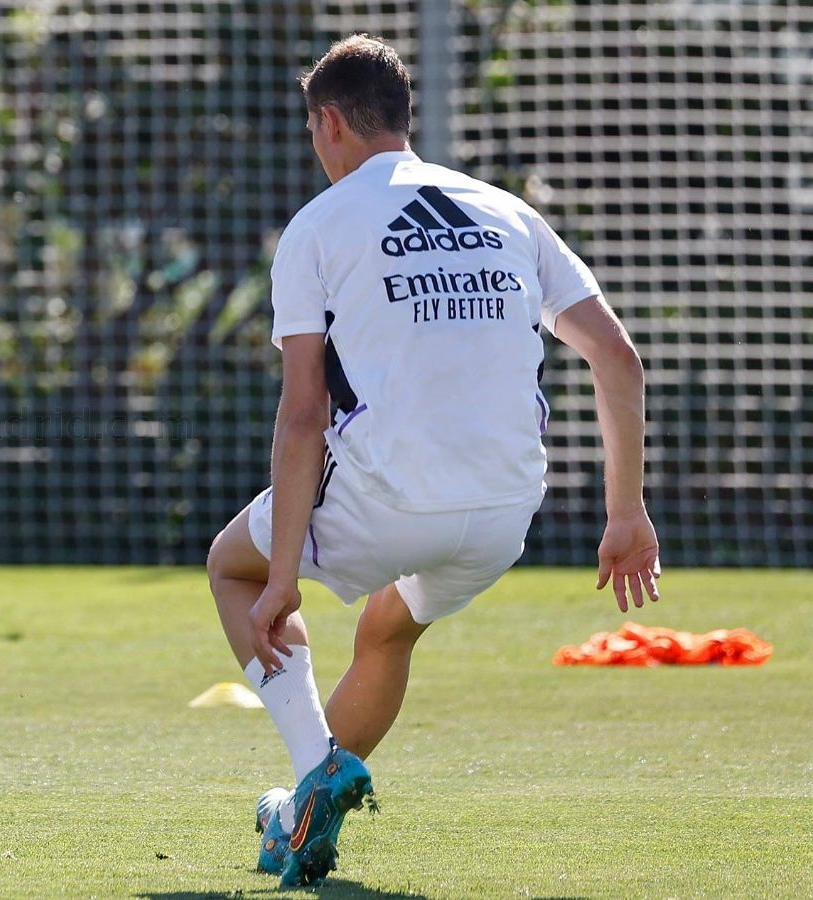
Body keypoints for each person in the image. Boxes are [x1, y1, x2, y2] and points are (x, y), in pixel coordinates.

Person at [205, 35, 660, 886]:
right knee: (389, 626)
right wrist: (626, 516)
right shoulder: (508, 212)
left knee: (232, 568)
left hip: (386, 499)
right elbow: (618, 359)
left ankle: (316, 765)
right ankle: (306, 805)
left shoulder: (318, 225)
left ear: (330, 124)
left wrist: (281, 578)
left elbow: (303, 415)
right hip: (500, 515)